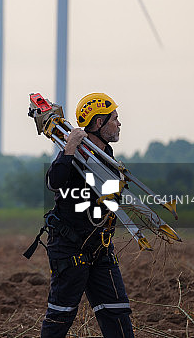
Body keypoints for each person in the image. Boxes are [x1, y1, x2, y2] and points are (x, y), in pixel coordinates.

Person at [40, 93, 134, 338]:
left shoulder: (108, 158)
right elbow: (54, 182)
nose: (119, 123)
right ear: (98, 123)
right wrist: (70, 146)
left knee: (118, 313)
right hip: (70, 249)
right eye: (114, 118)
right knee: (60, 317)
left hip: (100, 249)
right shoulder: (73, 155)